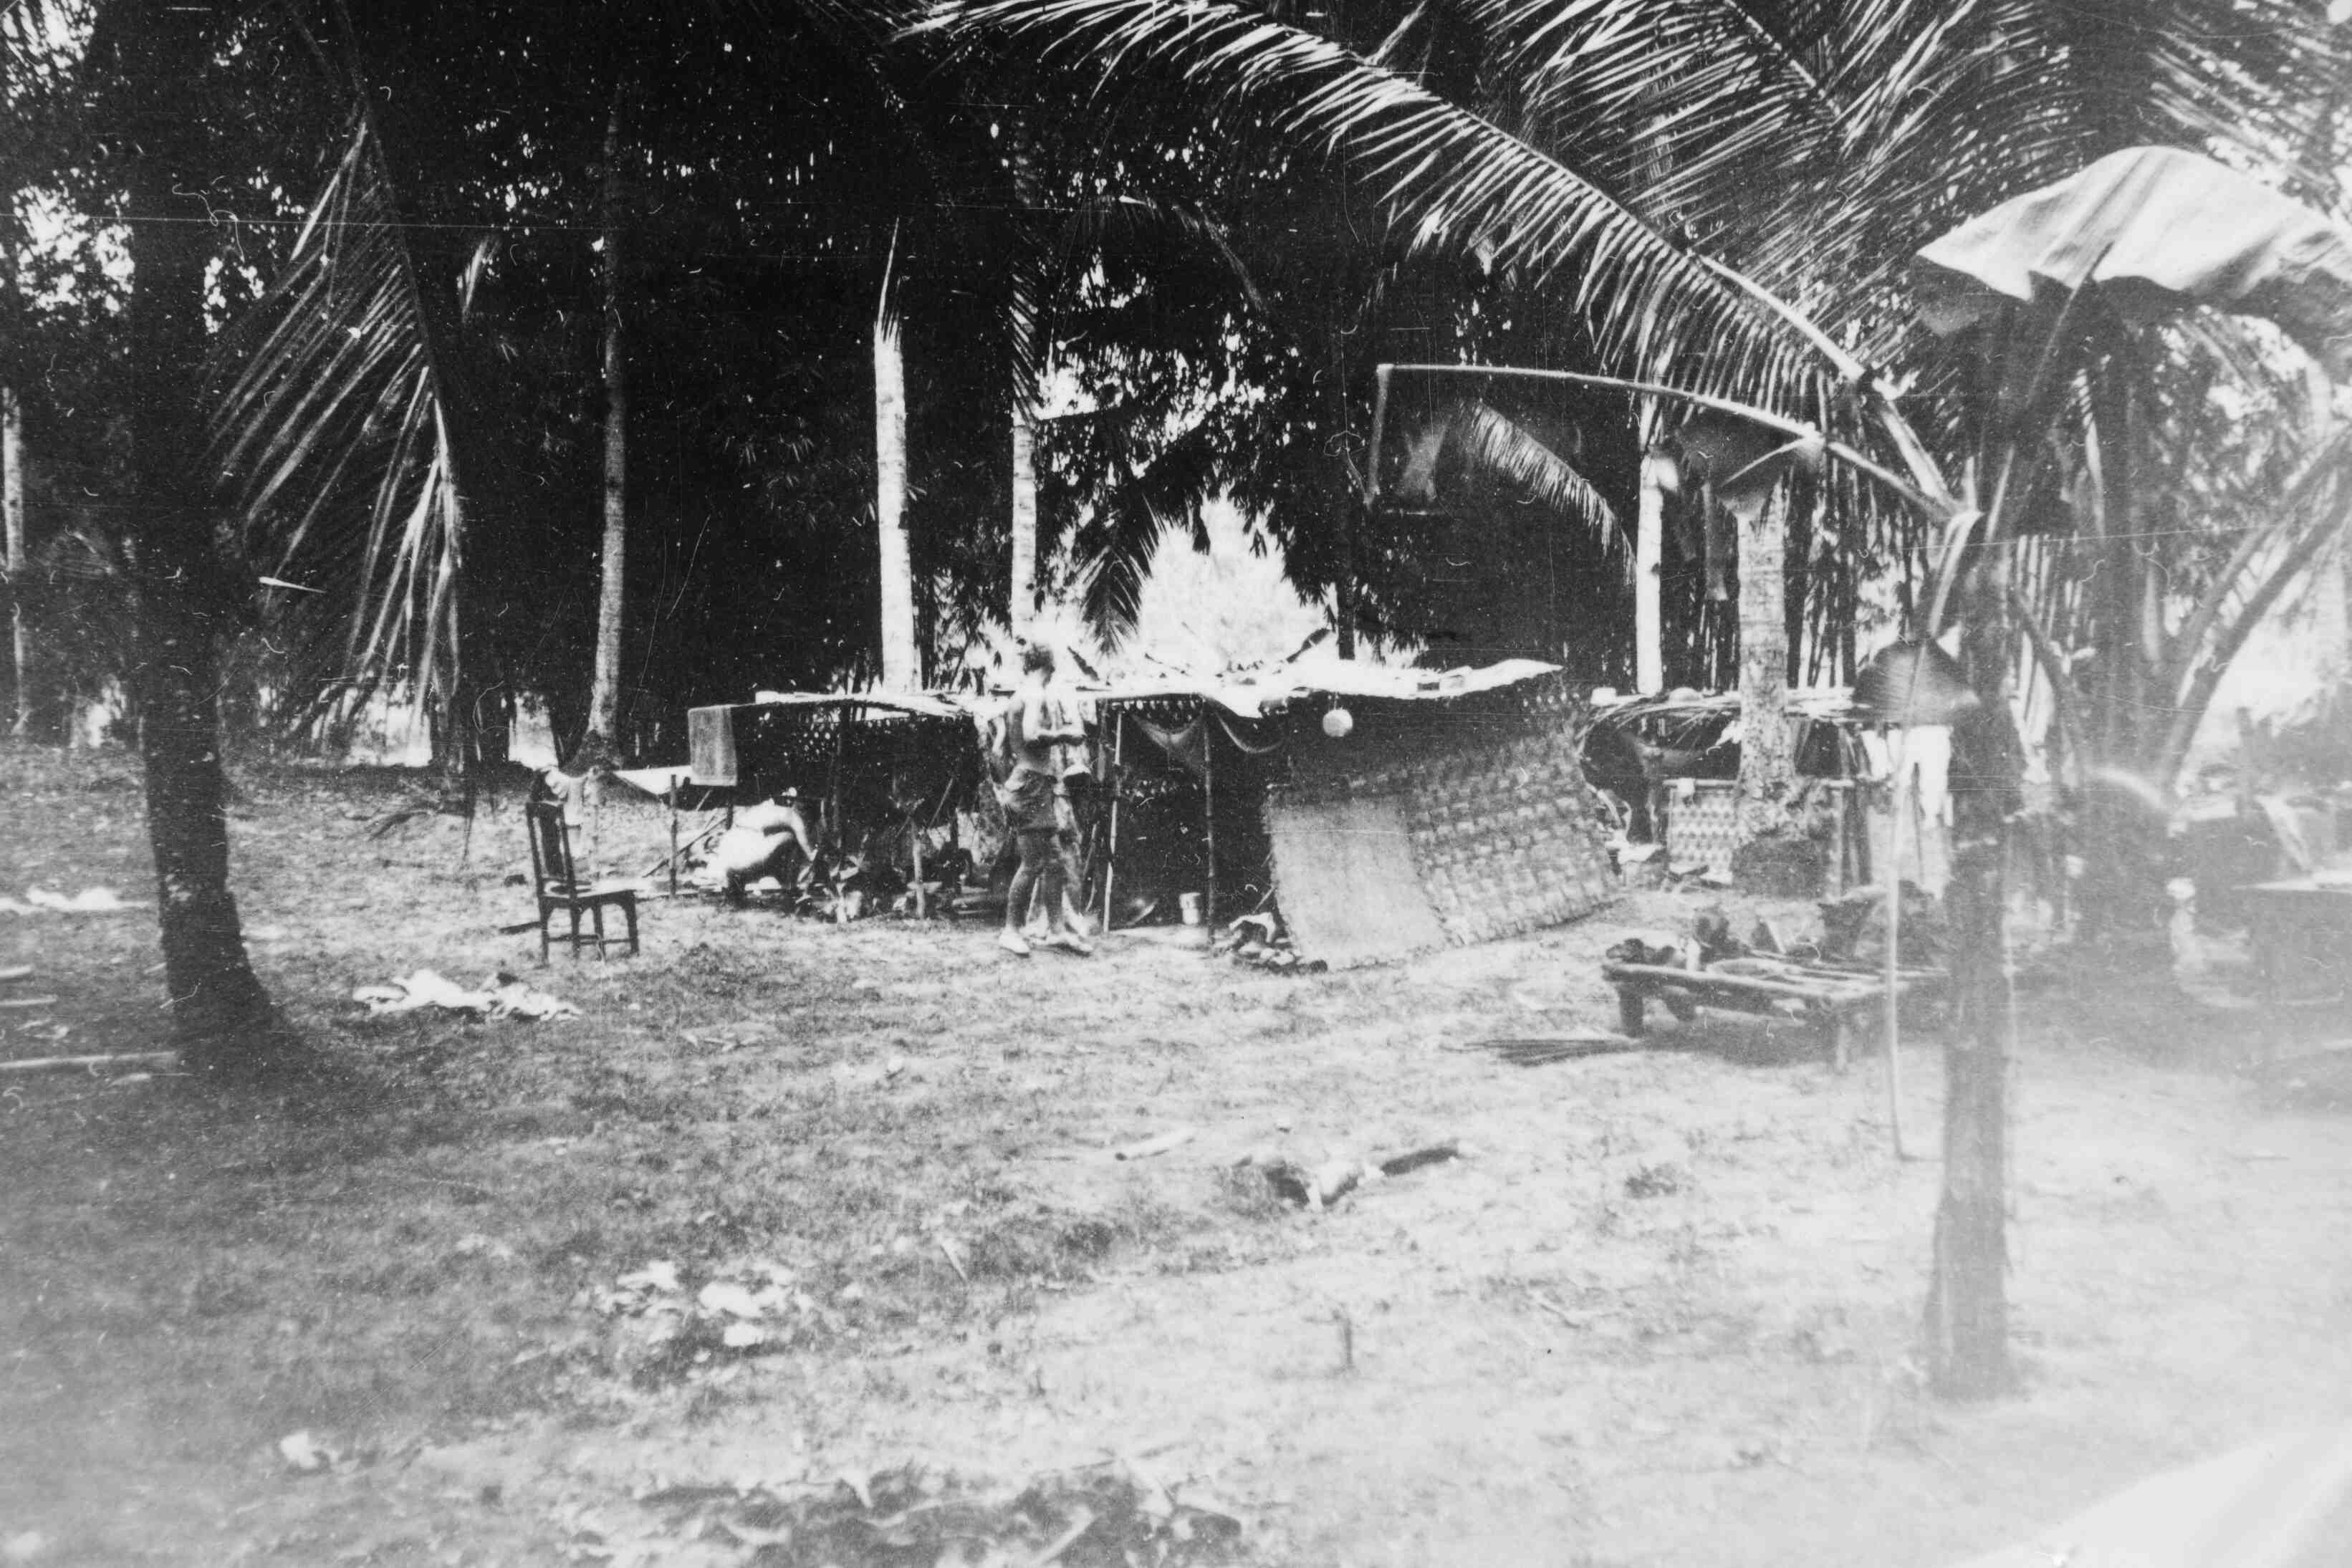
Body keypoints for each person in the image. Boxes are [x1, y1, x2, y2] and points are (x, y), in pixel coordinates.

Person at [999, 642, 1091, 956]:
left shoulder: (1021, 694)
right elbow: (1030, 735)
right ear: (1049, 667)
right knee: (1032, 863)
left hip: (1031, 785)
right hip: (1030, 787)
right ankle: (1010, 931)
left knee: (1053, 862)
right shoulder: (1035, 693)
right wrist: (1068, 734)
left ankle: (1055, 930)